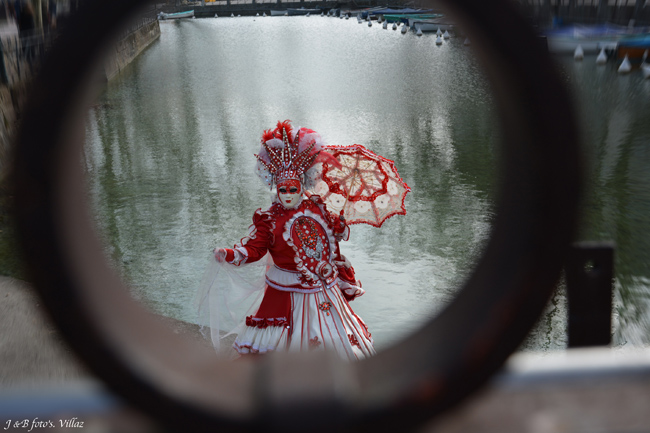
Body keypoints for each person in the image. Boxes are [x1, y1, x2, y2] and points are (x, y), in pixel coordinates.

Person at [204, 120, 375, 360]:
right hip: (285, 291)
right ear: (276, 188)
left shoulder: (317, 208)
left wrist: (337, 228)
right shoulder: (269, 218)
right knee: (279, 344)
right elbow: (254, 248)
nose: (287, 195)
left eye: (292, 189)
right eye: (282, 190)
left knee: (334, 338)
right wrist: (231, 254)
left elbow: (327, 240)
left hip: (322, 286)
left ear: (301, 185)